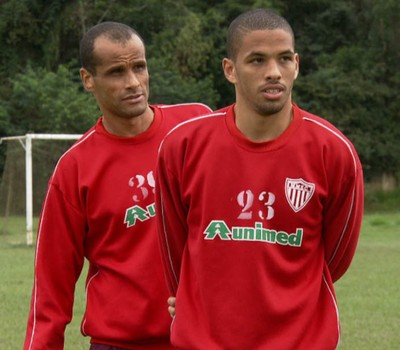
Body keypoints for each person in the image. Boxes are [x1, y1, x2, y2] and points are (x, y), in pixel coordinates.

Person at [155, 8, 364, 350]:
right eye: (256, 60)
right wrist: (193, 301)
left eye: (283, 59)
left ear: (296, 64)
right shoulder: (183, 146)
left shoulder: (334, 152)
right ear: (230, 70)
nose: (273, 72)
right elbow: (173, 249)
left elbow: (334, 259)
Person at [23, 21, 212, 350]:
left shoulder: (197, 127)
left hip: (203, 338)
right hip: (120, 344)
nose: (133, 82)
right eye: (116, 72)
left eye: (139, 67)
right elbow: (50, 291)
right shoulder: (75, 169)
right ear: (88, 80)